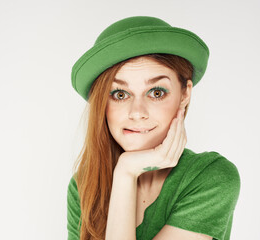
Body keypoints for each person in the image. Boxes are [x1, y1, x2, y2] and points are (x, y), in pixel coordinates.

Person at [67, 16, 240, 240]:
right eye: (120, 94)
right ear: (102, 103)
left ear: (185, 94)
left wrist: (126, 171)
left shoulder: (212, 178)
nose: (137, 111)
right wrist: (125, 174)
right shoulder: (84, 186)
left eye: (156, 92)